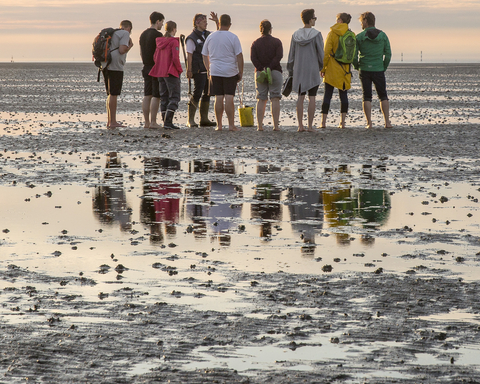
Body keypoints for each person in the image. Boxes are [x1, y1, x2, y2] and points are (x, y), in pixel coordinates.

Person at [202, 14, 243, 131]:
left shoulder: (210, 36)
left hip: (215, 71)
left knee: (218, 98)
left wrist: (208, 69)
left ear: (219, 23)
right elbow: (239, 56)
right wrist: (241, 72)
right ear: (230, 24)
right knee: (229, 98)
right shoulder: (233, 37)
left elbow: (204, 54)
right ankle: (231, 125)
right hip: (230, 71)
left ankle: (219, 125)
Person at [353, 11, 392, 129]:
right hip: (378, 68)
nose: (361, 24)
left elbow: (354, 55)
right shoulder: (383, 35)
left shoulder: (359, 37)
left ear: (365, 21)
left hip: (364, 68)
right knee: (383, 95)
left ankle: (369, 123)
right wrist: (383, 66)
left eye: (361, 22)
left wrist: (356, 65)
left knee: (366, 96)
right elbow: (388, 54)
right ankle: (387, 122)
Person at [287, 9, 324, 132]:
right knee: (312, 97)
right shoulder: (316, 34)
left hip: (299, 69)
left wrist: (290, 70)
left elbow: (291, 55)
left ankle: (300, 125)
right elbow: (321, 54)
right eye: (314, 18)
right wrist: (322, 67)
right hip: (312, 69)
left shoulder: (295, 35)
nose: (315, 20)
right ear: (310, 19)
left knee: (300, 97)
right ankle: (310, 126)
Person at [185, 12, 219, 127]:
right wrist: (188, 70)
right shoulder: (192, 38)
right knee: (197, 93)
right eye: (204, 22)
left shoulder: (207, 35)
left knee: (207, 93)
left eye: (206, 22)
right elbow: (189, 55)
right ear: (197, 23)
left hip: (207, 69)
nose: (206, 24)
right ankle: (190, 120)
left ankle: (204, 119)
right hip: (198, 69)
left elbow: (218, 35)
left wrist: (217, 22)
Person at [320, 13, 353, 129]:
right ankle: (342, 123)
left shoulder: (332, 33)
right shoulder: (351, 34)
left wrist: (323, 68)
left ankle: (323, 123)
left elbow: (325, 52)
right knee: (343, 96)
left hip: (332, 69)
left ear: (339, 20)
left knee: (327, 95)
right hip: (345, 70)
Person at [250, 19, 283, 131]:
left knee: (261, 98)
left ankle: (259, 126)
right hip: (275, 71)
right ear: (270, 29)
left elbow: (253, 58)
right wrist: (270, 67)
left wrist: (261, 68)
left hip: (260, 73)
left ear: (260, 30)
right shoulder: (277, 42)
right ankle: (276, 126)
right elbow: (279, 56)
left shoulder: (255, 43)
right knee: (275, 98)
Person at [149, 21, 183, 129]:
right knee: (174, 97)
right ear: (174, 29)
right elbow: (175, 58)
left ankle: (165, 121)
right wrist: (179, 69)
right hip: (171, 72)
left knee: (164, 97)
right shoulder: (173, 42)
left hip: (160, 72)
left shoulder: (160, 42)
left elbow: (155, 57)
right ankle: (168, 122)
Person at [103, 20, 133, 128]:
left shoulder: (113, 33)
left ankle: (109, 120)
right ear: (129, 28)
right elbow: (122, 50)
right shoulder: (125, 33)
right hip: (115, 66)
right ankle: (113, 122)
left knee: (110, 94)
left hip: (106, 64)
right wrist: (130, 46)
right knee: (114, 94)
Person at [139, 12, 165, 129]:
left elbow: (141, 52)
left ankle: (146, 122)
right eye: (162, 22)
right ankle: (153, 122)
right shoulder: (158, 35)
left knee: (147, 94)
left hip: (146, 66)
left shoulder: (143, 34)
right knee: (156, 95)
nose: (162, 25)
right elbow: (160, 53)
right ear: (158, 21)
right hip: (155, 67)